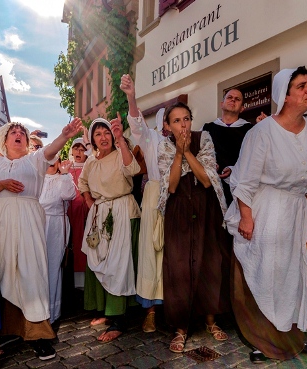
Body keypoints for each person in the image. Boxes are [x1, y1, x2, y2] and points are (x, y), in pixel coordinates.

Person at [224, 66, 307, 363]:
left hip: (297, 214)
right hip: (267, 211)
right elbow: (245, 181)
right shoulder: (262, 132)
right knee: (266, 274)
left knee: (294, 275)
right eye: (301, 86)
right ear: (285, 95)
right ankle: (264, 341)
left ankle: (292, 336)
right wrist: (246, 218)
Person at [0, 118, 82, 360]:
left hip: (28, 220)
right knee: (3, 273)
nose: (18, 135)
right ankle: (6, 330)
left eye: (22, 133)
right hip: (0, 223)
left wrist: (65, 136)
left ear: (27, 141)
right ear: (4, 139)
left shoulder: (34, 160)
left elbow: (50, 150)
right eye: (13, 132)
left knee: (31, 273)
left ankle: (39, 335)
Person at [157, 101, 231, 353]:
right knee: (178, 265)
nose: (183, 124)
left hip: (205, 206)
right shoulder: (164, 147)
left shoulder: (205, 138)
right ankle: (181, 328)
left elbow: (208, 180)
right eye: (176, 121)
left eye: (186, 118)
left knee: (210, 262)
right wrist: (178, 153)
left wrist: (187, 151)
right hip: (178, 209)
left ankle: (211, 320)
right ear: (167, 126)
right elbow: (172, 185)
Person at [79, 116, 141, 343]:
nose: (103, 137)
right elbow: (83, 183)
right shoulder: (91, 161)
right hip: (99, 213)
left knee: (118, 264)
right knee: (98, 259)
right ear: (93, 140)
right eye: (98, 134)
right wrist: (90, 203)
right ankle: (105, 310)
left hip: (123, 210)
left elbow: (133, 169)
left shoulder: (120, 154)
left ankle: (119, 319)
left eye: (107, 132)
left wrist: (121, 141)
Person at [120, 74, 165, 333]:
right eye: (171, 120)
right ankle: (150, 311)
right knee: (151, 253)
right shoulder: (153, 140)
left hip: (179, 199)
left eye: (183, 120)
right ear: (163, 123)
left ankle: (175, 308)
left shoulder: (188, 142)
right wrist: (131, 96)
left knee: (175, 256)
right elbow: (137, 125)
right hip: (153, 196)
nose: (177, 125)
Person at [39, 158, 76, 324]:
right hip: (36, 224)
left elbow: (69, 195)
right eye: (48, 161)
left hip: (55, 226)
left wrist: (66, 174)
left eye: (55, 161)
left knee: (52, 267)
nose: (51, 164)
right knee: (36, 268)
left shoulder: (63, 178)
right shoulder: (36, 178)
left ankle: (52, 313)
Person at [202, 88, 252, 205]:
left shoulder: (250, 130)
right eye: (229, 97)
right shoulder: (207, 129)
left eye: (237, 99)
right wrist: (209, 164)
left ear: (242, 108)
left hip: (238, 190)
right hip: (211, 189)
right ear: (221, 104)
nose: (233, 100)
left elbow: (252, 159)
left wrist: (234, 169)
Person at [67, 133, 91, 290]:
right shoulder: (66, 169)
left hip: (86, 212)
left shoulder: (90, 168)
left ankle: (86, 282)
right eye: (75, 149)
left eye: (82, 149)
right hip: (70, 213)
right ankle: (72, 282)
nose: (78, 152)